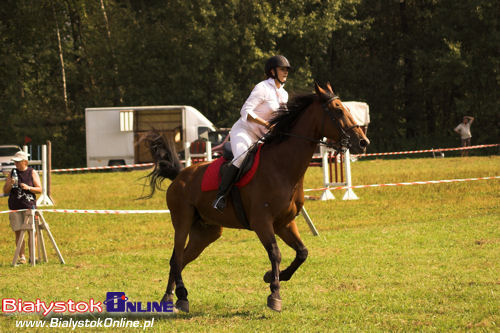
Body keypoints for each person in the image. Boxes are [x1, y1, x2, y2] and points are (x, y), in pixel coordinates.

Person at [212, 55, 291, 212]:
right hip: (245, 131)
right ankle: (220, 196)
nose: (286, 72)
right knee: (241, 157)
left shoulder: (284, 94)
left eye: (287, 70)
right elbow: (245, 111)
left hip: (263, 137)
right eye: (282, 69)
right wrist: (266, 124)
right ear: (272, 71)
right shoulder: (262, 88)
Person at [3, 151, 42, 264]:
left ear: (25, 162)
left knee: (31, 232)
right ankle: (22, 257)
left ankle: (32, 256)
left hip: (29, 207)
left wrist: (29, 187)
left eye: (18, 161)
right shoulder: (12, 172)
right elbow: (5, 190)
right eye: (15, 161)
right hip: (15, 207)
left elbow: (39, 189)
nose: (16, 163)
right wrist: (10, 184)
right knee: (18, 232)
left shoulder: (32, 172)